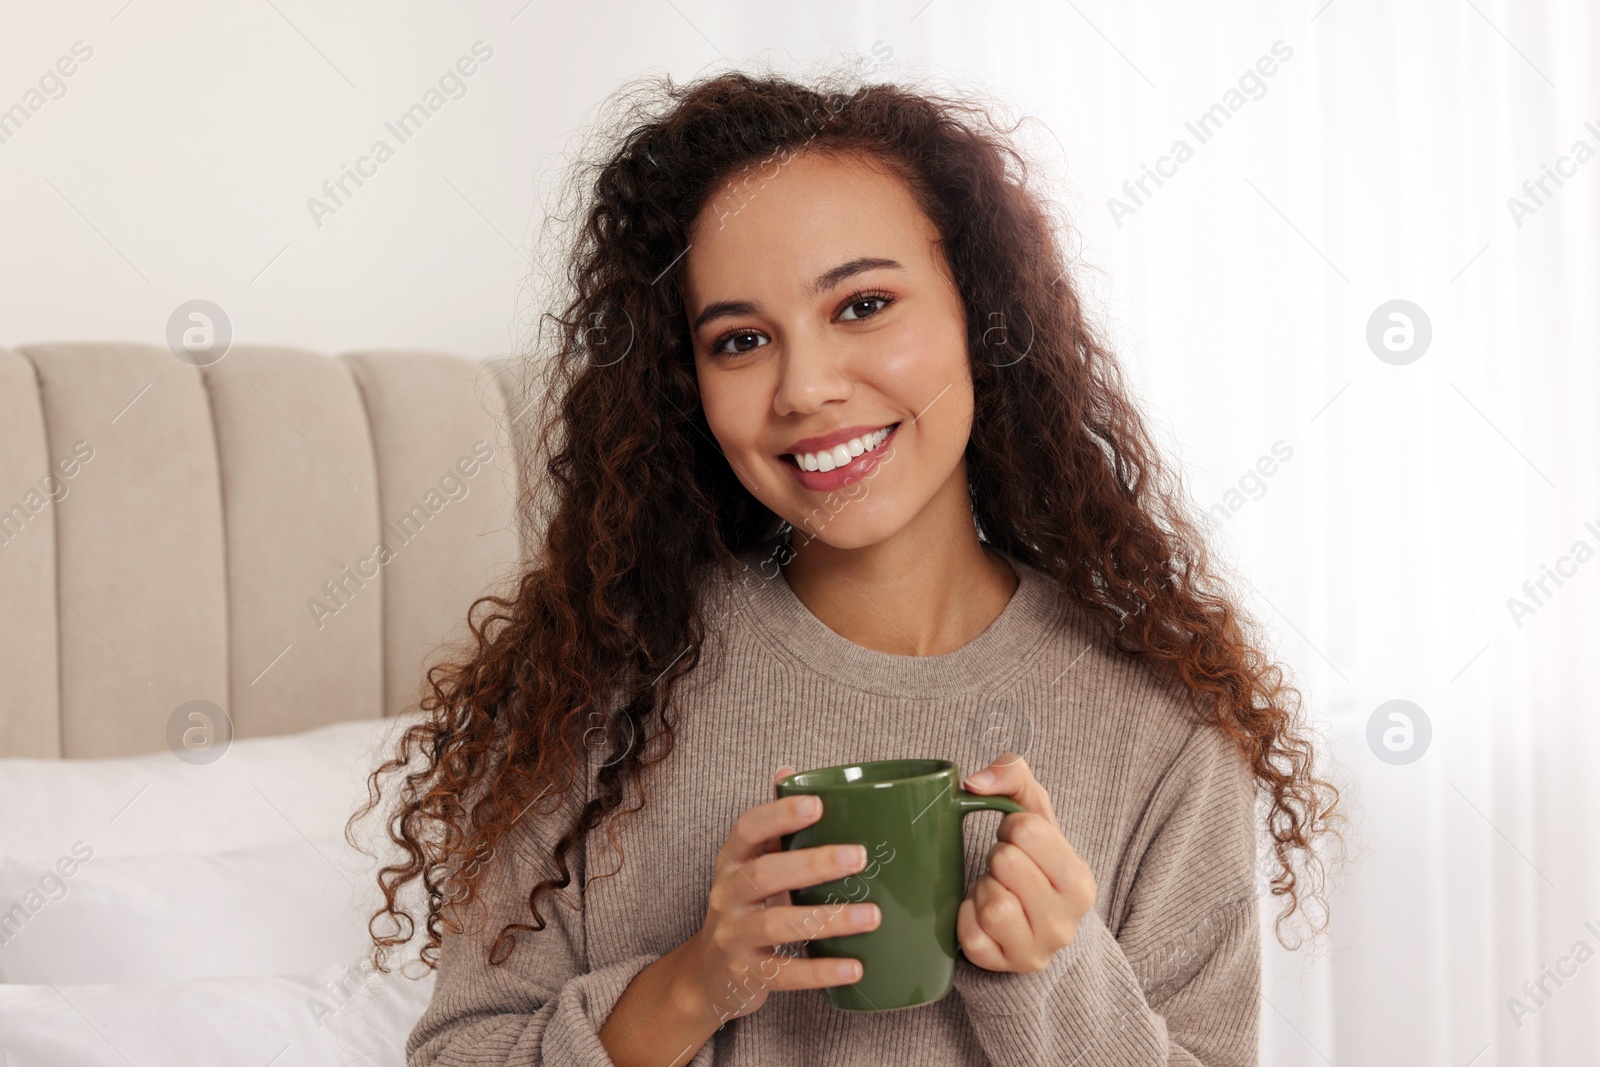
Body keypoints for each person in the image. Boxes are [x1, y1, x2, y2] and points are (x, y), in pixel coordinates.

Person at [353, 68, 1340, 1067]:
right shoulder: (597, 686)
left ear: (979, 311)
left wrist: (1052, 969)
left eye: (862, 304)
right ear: (684, 384)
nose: (807, 387)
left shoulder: (1159, 728)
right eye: (739, 340)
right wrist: (695, 980)